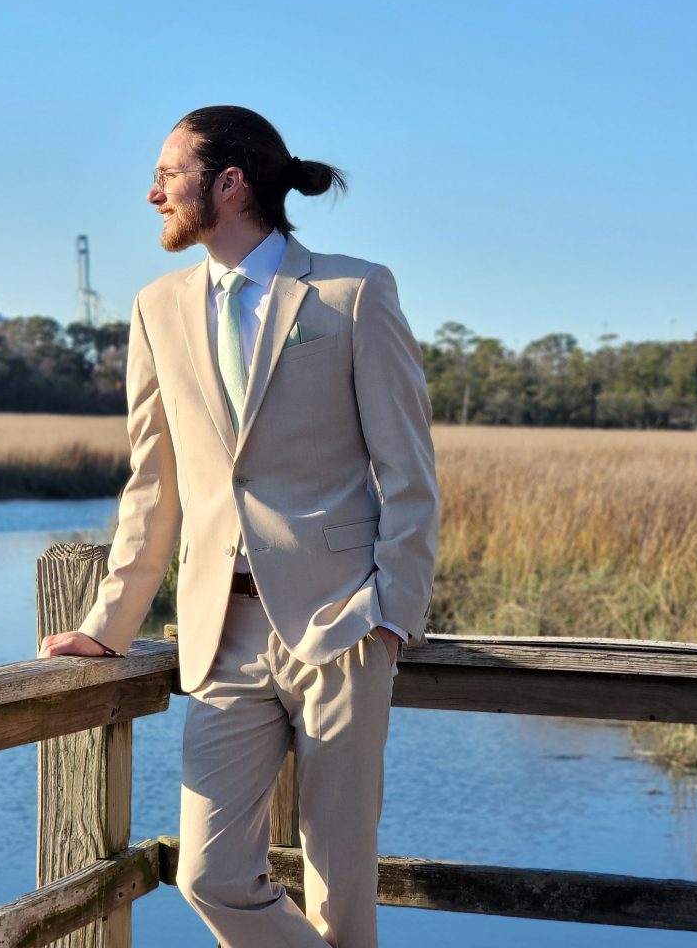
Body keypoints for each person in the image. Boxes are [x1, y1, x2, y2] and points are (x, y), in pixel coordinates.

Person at [39, 105, 439, 948]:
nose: (152, 193)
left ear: (229, 183)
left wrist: (392, 611)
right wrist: (109, 626)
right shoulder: (157, 308)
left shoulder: (352, 292)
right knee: (209, 875)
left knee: (340, 889)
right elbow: (154, 481)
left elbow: (408, 470)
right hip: (219, 633)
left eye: (167, 174)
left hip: (343, 625)